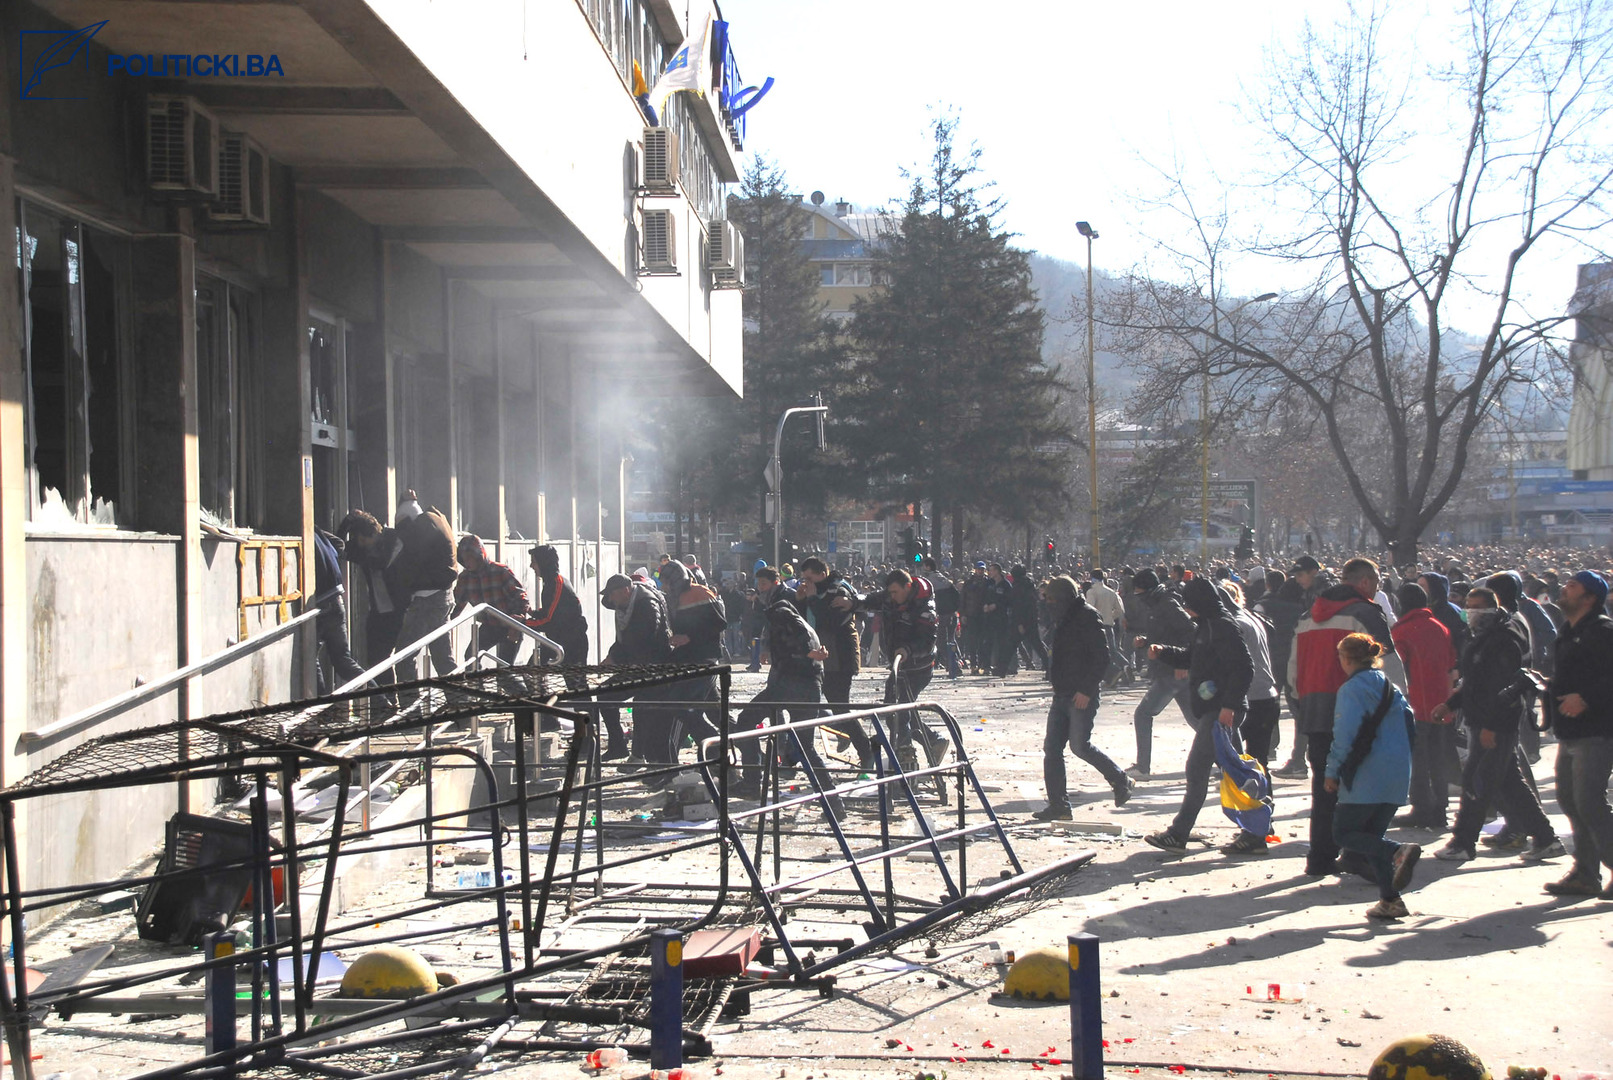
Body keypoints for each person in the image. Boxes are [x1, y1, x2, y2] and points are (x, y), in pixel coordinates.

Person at [1432, 586, 1563, 864]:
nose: (1472, 613)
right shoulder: (1480, 638)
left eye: (1478, 607)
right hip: (1480, 719)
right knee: (1509, 783)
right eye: (1469, 606)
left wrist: (1492, 725)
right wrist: (1451, 704)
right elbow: (1475, 682)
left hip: (1496, 724)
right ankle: (1546, 838)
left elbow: (1505, 689)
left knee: (1476, 781)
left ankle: (1463, 841)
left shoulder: (1505, 639)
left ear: (1493, 608)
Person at [1289, 558, 1397, 877]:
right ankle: (1357, 853)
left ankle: (1320, 857)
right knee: (1363, 787)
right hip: (1356, 713)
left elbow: (1294, 672)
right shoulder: (1365, 614)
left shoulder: (1308, 617)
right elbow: (1387, 665)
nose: (1377, 588)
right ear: (1364, 582)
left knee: (1325, 788)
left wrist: (1302, 707)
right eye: (1376, 582)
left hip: (1315, 712)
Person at [1143, 577, 1257, 855]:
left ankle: (1179, 833)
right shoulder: (1204, 626)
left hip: (1221, 710)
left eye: (1190, 603)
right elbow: (1190, 658)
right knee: (1237, 773)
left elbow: (1244, 668)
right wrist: (1163, 652)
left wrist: (1229, 706)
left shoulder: (1222, 626)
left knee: (1197, 768)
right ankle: (1256, 832)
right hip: (1215, 708)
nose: (1187, 608)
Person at [1325, 633, 1421, 921]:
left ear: (1347, 659)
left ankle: (1397, 851)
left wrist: (1332, 771)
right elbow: (1410, 724)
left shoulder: (1351, 690)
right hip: (1397, 770)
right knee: (1371, 838)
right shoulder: (1391, 686)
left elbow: (1344, 736)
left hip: (1367, 772)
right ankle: (1390, 899)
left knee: (1344, 834)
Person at [1035, 576, 1133, 820]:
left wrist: (1087, 690)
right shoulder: (1062, 617)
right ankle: (1059, 805)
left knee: (1080, 746)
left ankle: (1120, 779)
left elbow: (1101, 657)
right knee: (1052, 749)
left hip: (1080, 693)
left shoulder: (1087, 616)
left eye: (1053, 600)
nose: (1050, 604)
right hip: (1062, 692)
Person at [731, 594, 840, 813]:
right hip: (809, 687)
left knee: (745, 721)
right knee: (806, 747)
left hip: (790, 684)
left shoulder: (780, 613)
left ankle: (752, 780)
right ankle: (834, 802)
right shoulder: (800, 620)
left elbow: (798, 639)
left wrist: (805, 651)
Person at [1542, 571, 1613, 897]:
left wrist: (1586, 697)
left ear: (1589, 598)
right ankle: (1585, 873)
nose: (1564, 590)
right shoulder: (1568, 631)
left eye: (1572, 587)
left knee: (1590, 803)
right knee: (1570, 800)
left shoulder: (1602, 631)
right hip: (1570, 731)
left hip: (1596, 731)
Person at [1389, 582, 1458, 829]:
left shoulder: (1402, 632)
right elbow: (1450, 663)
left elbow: (1397, 670)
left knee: (1418, 760)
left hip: (1416, 703)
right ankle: (1440, 808)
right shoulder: (1440, 627)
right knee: (1437, 758)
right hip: (1441, 703)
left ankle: (1421, 808)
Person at [795, 557, 868, 764]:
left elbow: (831, 621)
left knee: (839, 706)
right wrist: (801, 600)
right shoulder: (815, 592)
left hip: (839, 657)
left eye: (810, 578)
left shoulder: (839, 590)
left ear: (822, 574)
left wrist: (811, 599)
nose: (807, 582)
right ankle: (851, 738)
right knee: (816, 702)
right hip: (821, 655)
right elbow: (807, 621)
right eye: (803, 579)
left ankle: (867, 750)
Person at [599, 572, 674, 769]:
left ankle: (640, 757)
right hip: (636, 664)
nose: (611, 600)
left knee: (642, 709)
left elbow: (644, 639)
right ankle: (618, 746)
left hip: (654, 666)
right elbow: (624, 639)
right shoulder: (624, 606)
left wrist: (617, 658)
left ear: (625, 591)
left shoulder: (646, 604)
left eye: (613, 595)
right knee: (605, 696)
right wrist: (612, 656)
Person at [1128, 569, 1196, 778]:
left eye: (1140, 593)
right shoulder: (1159, 604)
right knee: (1197, 721)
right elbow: (1165, 633)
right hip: (1170, 669)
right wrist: (1146, 642)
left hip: (1172, 670)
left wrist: (1182, 662)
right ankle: (1226, 759)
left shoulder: (1168, 604)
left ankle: (1142, 766)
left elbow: (1190, 631)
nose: (1138, 598)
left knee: (1143, 714)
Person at [390, 494, 459, 678]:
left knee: (404, 658)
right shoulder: (435, 521)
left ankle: (411, 705)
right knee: (443, 658)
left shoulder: (420, 529)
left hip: (426, 600)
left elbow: (409, 564)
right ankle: (459, 700)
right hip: (443, 596)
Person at [337, 509, 407, 677]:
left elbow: (382, 563)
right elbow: (337, 545)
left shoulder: (393, 539)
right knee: (375, 659)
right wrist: (347, 521)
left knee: (397, 659)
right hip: (378, 612)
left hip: (400, 610)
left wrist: (362, 556)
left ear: (374, 534)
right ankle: (388, 700)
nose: (361, 544)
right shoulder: (365, 549)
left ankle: (395, 699)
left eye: (363, 540)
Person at [1224, 582, 1281, 767]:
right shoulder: (1252, 618)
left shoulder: (1234, 624)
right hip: (1266, 693)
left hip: (1250, 697)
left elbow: (1236, 664)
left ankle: (1247, 788)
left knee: (1235, 757)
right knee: (1258, 759)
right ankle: (1262, 794)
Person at [451, 534, 529, 666]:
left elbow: (521, 598)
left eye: (470, 558)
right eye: (464, 559)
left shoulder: (500, 571)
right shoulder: (464, 578)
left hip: (509, 624)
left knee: (504, 671)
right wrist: (448, 621)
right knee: (471, 658)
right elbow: (458, 603)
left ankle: (515, 686)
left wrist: (517, 624)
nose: (467, 562)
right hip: (489, 626)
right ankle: (476, 685)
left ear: (479, 555)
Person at [310, 525, 366, 694]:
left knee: (310, 661)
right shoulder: (316, 530)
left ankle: (321, 713)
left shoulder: (302, 529)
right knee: (343, 660)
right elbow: (339, 544)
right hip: (336, 599)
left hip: (320, 603)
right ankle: (381, 700)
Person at [1085, 572, 1131, 687]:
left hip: (1096, 626)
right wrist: (1110, 616)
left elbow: (1089, 610)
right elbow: (1120, 610)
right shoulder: (1111, 592)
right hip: (1109, 625)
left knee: (1099, 653)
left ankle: (1113, 673)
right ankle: (1125, 666)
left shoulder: (1092, 592)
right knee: (1113, 650)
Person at [960, 562, 990, 674]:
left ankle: (983, 665)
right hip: (971, 615)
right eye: (978, 569)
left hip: (984, 616)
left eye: (982, 569)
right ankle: (973, 665)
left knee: (983, 642)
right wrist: (962, 614)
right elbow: (962, 599)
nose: (980, 571)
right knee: (972, 642)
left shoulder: (988, 583)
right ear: (975, 570)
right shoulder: (968, 583)